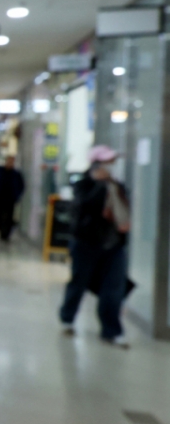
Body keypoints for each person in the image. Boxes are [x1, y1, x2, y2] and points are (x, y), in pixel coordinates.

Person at [59, 144, 131, 347]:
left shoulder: (117, 186)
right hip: (86, 242)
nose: (113, 165)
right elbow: (84, 207)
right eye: (109, 161)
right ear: (97, 164)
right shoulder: (84, 185)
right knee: (79, 282)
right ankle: (67, 318)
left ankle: (111, 330)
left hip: (113, 245)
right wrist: (100, 186)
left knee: (113, 288)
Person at [0, 155, 25, 241]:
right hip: (0, 197)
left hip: (11, 198)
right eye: (9, 161)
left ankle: (6, 233)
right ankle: (1, 231)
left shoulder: (16, 174)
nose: (10, 163)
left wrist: (17, 195)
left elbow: (21, 185)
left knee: (9, 215)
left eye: (12, 161)